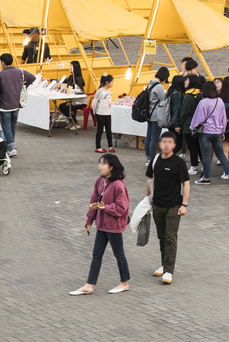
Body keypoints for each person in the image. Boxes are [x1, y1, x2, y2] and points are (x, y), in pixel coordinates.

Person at [69, 153, 132, 295]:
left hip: (114, 225)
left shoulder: (118, 185)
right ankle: (89, 285)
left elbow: (122, 208)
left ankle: (124, 283)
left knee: (118, 254)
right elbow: (94, 201)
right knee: (97, 255)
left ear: (111, 167)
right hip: (102, 225)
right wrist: (89, 220)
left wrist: (106, 207)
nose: (100, 166)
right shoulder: (100, 181)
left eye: (103, 163)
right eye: (100, 163)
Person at [145, 130, 189, 284]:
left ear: (174, 145)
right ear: (160, 143)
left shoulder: (179, 163)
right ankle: (164, 265)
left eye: (170, 142)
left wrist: (184, 204)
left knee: (170, 237)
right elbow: (150, 180)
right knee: (162, 237)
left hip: (174, 206)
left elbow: (186, 183)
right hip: (157, 205)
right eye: (164, 142)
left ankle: (169, 271)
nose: (166, 145)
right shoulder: (155, 160)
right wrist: (147, 200)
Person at [189, 80, 229, 184]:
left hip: (205, 132)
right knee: (221, 154)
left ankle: (206, 178)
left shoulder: (203, 102)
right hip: (217, 132)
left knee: (206, 156)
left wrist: (192, 127)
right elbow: (223, 118)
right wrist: (223, 132)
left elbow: (198, 118)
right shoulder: (220, 101)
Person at [0, 53, 36, 156]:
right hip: (16, 104)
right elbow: (32, 77)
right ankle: (10, 146)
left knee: (6, 127)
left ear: (3, 62)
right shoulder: (20, 72)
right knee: (13, 126)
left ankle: (12, 147)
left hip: (5, 105)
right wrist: (23, 86)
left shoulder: (0, 75)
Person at [146, 66, 171, 161]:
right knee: (154, 138)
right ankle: (152, 159)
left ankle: (148, 158)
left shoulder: (150, 83)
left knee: (148, 136)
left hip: (149, 113)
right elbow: (163, 99)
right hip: (156, 115)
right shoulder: (159, 86)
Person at [91, 73, 115, 153]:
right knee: (100, 131)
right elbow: (94, 102)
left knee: (109, 130)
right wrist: (94, 112)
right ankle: (98, 147)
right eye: (111, 82)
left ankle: (110, 146)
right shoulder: (100, 91)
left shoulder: (109, 91)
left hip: (108, 113)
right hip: (100, 114)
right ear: (107, 82)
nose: (112, 83)